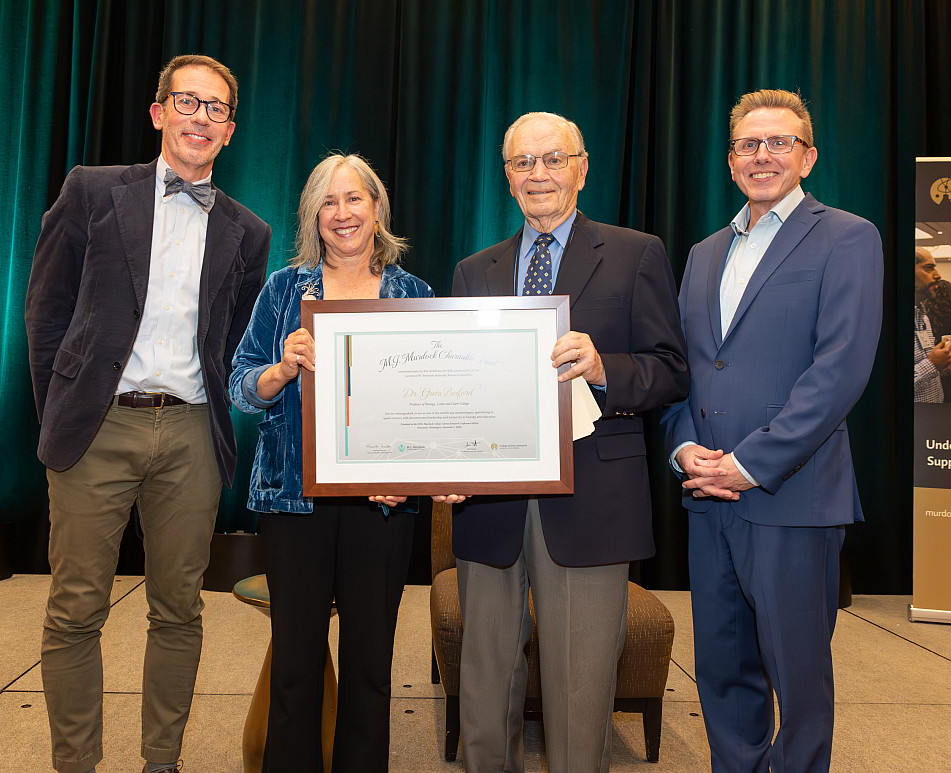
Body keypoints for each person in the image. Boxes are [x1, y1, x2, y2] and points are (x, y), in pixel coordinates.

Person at [24, 55, 270, 773]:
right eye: (187, 102)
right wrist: (62, 413)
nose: (201, 117)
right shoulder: (91, 191)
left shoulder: (247, 232)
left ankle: (162, 760)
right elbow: (45, 313)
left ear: (229, 131)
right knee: (74, 609)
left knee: (179, 610)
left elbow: (235, 340)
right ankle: (76, 762)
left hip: (193, 432)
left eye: (216, 108)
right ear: (159, 111)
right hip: (96, 426)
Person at [447, 111, 689, 773]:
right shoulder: (475, 270)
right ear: (506, 177)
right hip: (490, 499)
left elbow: (671, 369)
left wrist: (607, 364)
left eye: (554, 159)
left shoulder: (637, 253)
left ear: (582, 168)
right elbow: (457, 385)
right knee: (485, 673)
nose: (539, 174)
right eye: (524, 163)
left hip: (593, 494)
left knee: (581, 686)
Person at [661, 89, 882, 773]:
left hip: (792, 496)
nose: (763, 156)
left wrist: (749, 462)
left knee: (799, 676)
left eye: (778, 143)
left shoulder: (848, 236)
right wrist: (684, 446)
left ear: (807, 156)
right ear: (730, 163)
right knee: (722, 671)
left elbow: (840, 369)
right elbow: (685, 367)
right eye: (748, 145)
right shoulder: (702, 253)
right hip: (708, 496)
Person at [229, 152, 432, 773]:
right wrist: (282, 369)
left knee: (371, 665)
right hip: (295, 504)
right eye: (328, 202)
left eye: (354, 200)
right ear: (312, 216)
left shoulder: (413, 294)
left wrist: (409, 478)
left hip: (383, 507)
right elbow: (240, 386)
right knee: (296, 663)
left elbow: (430, 407)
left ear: (378, 209)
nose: (342, 214)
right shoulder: (284, 289)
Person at [913, 248, 951, 403]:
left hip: (934, 409)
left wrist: (945, 365)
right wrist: (932, 364)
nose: (938, 275)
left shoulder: (923, 316)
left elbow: (925, 363)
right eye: (928, 268)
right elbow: (886, 385)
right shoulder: (886, 319)